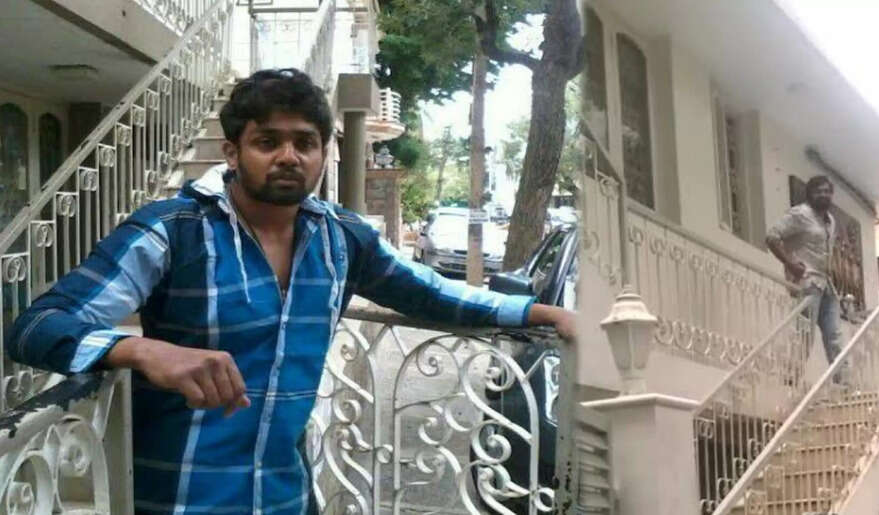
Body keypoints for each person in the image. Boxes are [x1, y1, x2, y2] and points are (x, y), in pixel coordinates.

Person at [8, 69, 576, 514]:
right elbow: (38, 325)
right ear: (233, 152)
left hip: (287, 496)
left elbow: (430, 293)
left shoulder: (340, 239)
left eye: (305, 142)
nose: (288, 156)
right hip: (178, 496)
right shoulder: (173, 230)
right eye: (267, 141)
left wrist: (543, 313)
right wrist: (140, 350)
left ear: (324, 153)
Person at [766, 175, 846, 384]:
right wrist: (790, 264)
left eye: (827, 191)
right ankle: (791, 381)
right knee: (804, 335)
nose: (823, 195)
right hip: (808, 283)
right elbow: (772, 236)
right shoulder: (800, 214)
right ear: (810, 194)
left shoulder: (830, 221)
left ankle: (844, 384)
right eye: (818, 191)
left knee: (835, 336)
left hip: (826, 284)